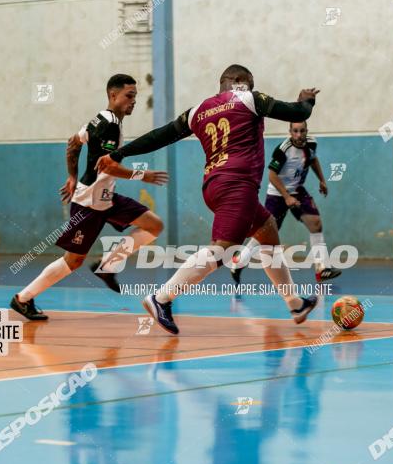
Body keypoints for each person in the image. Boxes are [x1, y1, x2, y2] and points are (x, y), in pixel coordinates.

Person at [97, 64, 320, 335]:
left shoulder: (197, 111)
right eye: (249, 81)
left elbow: (159, 136)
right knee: (223, 250)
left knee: (267, 229)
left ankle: (295, 304)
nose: (251, 86)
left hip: (214, 186)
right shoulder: (249, 98)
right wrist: (307, 99)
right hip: (237, 186)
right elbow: (297, 113)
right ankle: (161, 298)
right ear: (238, 81)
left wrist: (120, 154)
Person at [10, 74, 167, 320]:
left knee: (154, 225)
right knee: (73, 262)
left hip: (107, 198)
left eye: (135, 96)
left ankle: (108, 266)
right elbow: (107, 166)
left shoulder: (99, 119)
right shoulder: (109, 125)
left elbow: (73, 143)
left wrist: (72, 176)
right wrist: (142, 175)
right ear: (112, 95)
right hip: (89, 202)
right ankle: (23, 298)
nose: (133, 101)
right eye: (129, 96)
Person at [230, 121, 341, 283]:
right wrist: (286, 197)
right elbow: (272, 176)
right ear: (290, 132)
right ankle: (239, 261)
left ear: (306, 131)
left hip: (298, 189)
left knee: (315, 223)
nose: (299, 134)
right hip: (277, 193)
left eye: (302, 131)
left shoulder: (311, 143)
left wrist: (322, 180)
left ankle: (321, 268)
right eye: (295, 131)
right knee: (265, 232)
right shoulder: (283, 150)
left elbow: (313, 160)